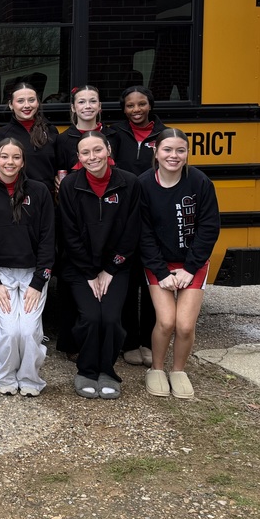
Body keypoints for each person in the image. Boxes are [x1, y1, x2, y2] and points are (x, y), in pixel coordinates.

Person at [58, 131, 142, 400]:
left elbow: (132, 231)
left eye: (97, 150)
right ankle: (86, 370)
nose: (92, 157)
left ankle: (107, 371)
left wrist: (110, 269)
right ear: (79, 158)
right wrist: (89, 272)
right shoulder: (71, 185)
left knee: (111, 318)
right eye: (85, 153)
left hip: (116, 267)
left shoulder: (128, 182)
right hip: (79, 268)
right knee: (92, 316)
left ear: (108, 150)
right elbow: (68, 233)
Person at [139, 128, 220, 400]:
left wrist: (190, 269)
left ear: (187, 153)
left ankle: (178, 370)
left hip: (192, 263)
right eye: (168, 150)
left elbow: (209, 228)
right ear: (156, 152)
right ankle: (157, 368)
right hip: (158, 262)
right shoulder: (144, 184)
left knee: (185, 324)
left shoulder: (199, 182)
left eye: (180, 150)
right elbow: (143, 232)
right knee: (166, 321)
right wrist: (161, 272)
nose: (174, 156)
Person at [0, 139, 55, 397]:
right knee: (9, 331)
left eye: (16, 157)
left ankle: (30, 378)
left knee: (29, 331)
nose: (10, 162)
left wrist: (40, 282)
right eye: (4, 157)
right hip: (1, 274)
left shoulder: (39, 191)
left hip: (33, 273)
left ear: (23, 161)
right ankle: (6, 375)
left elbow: (47, 238)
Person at [110, 86, 169, 368]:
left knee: (152, 281)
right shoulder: (115, 134)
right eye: (130, 106)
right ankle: (130, 342)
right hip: (124, 215)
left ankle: (149, 340)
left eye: (142, 104)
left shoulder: (164, 135)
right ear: (123, 109)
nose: (136, 110)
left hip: (156, 215)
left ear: (150, 105)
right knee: (127, 280)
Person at [0, 81, 59, 191]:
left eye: (31, 100)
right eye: (20, 101)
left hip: (46, 197)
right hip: (16, 197)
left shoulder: (51, 130)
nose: (27, 105)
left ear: (37, 103)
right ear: (11, 105)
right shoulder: (0, 135)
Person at [56, 85, 120, 178]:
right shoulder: (63, 139)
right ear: (73, 107)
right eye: (81, 102)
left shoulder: (113, 135)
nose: (88, 106)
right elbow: (61, 171)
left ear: (99, 106)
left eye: (93, 101)